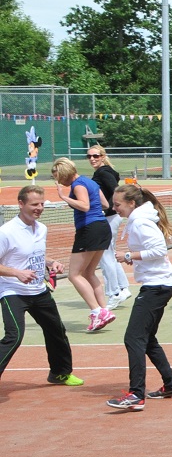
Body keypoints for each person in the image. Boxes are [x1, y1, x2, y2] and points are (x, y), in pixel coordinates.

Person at [104, 185, 172, 411]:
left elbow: (159, 251)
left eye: (117, 204)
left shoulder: (140, 222)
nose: (114, 207)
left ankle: (136, 394)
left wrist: (129, 255)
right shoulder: (138, 219)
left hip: (157, 287)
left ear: (131, 203)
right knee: (147, 338)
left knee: (133, 338)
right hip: (159, 284)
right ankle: (171, 385)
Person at [0, 186, 81, 388]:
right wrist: (17, 273)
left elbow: (34, 255)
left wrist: (51, 263)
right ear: (21, 204)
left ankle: (60, 373)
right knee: (15, 335)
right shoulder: (6, 232)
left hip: (39, 290)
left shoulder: (41, 228)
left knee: (56, 331)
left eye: (42, 204)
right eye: (34, 204)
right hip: (13, 291)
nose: (39, 208)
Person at [51, 157, 114, 333]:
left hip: (89, 230)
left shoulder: (77, 185)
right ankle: (104, 310)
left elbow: (85, 206)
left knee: (74, 275)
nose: (58, 181)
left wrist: (64, 197)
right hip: (102, 228)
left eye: (58, 177)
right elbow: (105, 204)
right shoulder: (90, 182)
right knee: (88, 272)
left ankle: (96, 310)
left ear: (64, 173)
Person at [87, 145, 130, 310]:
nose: (92, 159)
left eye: (96, 156)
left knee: (105, 256)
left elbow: (115, 191)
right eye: (89, 156)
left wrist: (113, 207)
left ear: (103, 156)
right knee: (109, 254)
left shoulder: (104, 172)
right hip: (111, 216)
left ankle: (114, 293)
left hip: (110, 217)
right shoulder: (104, 171)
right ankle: (123, 288)